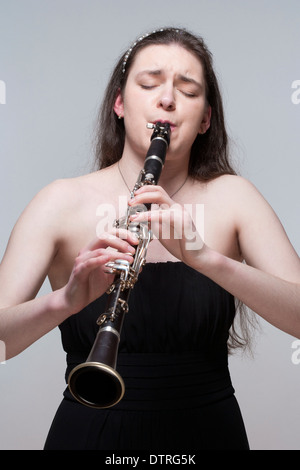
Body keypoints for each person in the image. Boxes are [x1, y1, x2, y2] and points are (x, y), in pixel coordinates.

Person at [0, 27, 299, 451]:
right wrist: (63, 301)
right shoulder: (59, 202)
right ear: (119, 103)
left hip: (210, 436)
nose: (168, 99)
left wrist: (208, 260)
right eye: (149, 83)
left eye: (188, 90)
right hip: (89, 435)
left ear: (206, 119)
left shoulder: (235, 198)